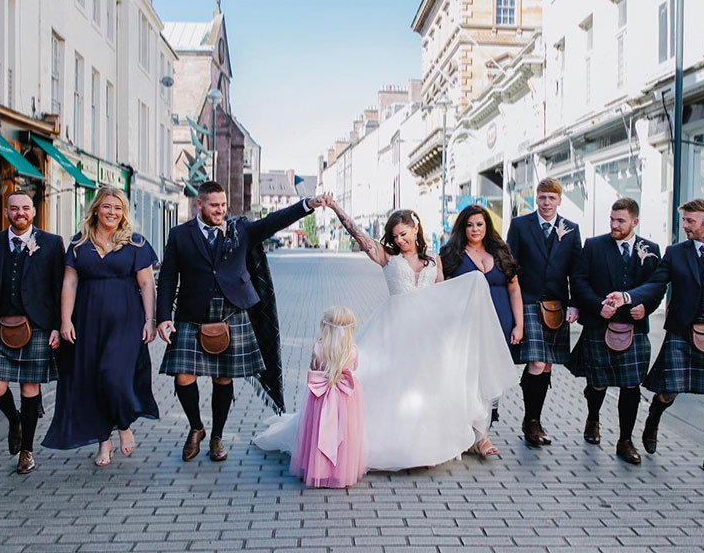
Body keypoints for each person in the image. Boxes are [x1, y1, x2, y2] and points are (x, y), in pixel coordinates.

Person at [256, 200, 517, 470]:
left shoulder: (434, 260)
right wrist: (336, 209)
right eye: (395, 236)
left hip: (426, 333)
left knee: (424, 388)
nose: (400, 240)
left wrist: (469, 293)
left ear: (415, 229)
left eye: (403, 234)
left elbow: (442, 294)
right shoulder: (388, 258)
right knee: (384, 383)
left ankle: (423, 443)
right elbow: (358, 234)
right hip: (393, 329)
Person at [156, 181, 322, 463]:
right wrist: (163, 318)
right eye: (214, 206)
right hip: (191, 314)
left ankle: (217, 436)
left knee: (223, 377)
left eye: (223, 205)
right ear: (200, 205)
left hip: (231, 313)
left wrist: (306, 205)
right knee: (183, 376)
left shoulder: (240, 229)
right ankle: (196, 427)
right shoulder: (179, 235)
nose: (220, 210)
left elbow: (273, 221)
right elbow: (169, 277)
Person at [605, 199, 704, 478]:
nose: (684, 226)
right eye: (683, 220)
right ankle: (654, 417)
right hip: (681, 331)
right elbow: (655, 284)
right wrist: (627, 297)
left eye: (689, 221)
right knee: (669, 391)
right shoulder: (675, 253)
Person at [42, 186, 159, 466]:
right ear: (96, 208)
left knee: (113, 377)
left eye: (118, 208)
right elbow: (69, 282)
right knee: (92, 381)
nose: (112, 213)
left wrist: (150, 320)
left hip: (126, 321)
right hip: (87, 320)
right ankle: (103, 443)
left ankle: (123, 425)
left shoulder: (135, 243)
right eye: (107, 207)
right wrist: (65, 319)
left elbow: (146, 284)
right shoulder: (79, 242)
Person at [0, 190, 65, 474]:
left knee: (29, 389)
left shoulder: (51, 244)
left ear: (34, 211)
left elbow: (59, 288)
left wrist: (57, 327)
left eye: (25, 208)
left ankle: (26, 450)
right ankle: (14, 420)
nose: (20, 213)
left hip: (36, 326)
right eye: (14, 209)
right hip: (0, 326)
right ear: (6, 212)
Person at [568, 198, 661, 465]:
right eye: (612, 219)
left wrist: (646, 307)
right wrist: (598, 306)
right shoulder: (595, 245)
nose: (614, 225)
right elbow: (579, 281)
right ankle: (593, 417)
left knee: (631, 386)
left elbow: (657, 285)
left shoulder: (650, 249)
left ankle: (625, 441)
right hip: (599, 326)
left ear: (635, 221)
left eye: (620, 221)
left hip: (634, 328)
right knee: (597, 384)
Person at [506, 177, 582, 447]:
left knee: (546, 364)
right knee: (537, 362)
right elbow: (509, 265)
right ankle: (531, 421)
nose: (546, 202)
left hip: (557, 306)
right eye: (542, 197)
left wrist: (574, 303)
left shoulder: (571, 229)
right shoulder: (520, 225)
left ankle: (534, 419)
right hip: (527, 302)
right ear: (535, 199)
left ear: (560, 200)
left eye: (551, 198)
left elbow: (577, 271)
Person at [441, 204, 523, 441]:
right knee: (469, 377)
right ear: (462, 228)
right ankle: (469, 429)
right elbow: (442, 290)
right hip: (466, 326)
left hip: (500, 324)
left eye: (479, 224)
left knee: (492, 377)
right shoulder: (452, 254)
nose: (475, 229)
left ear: (487, 226)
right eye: (469, 225)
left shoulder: (501, 252)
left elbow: (514, 288)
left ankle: (483, 430)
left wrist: (519, 324)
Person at [289, 306, 365, 488]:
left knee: (319, 429)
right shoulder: (353, 350)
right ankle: (340, 471)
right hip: (346, 398)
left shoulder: (318, 348)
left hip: (321, 395)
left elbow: (314, 367)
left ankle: (318, 470)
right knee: (344, 432)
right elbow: (354, 369)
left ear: (325, 326)